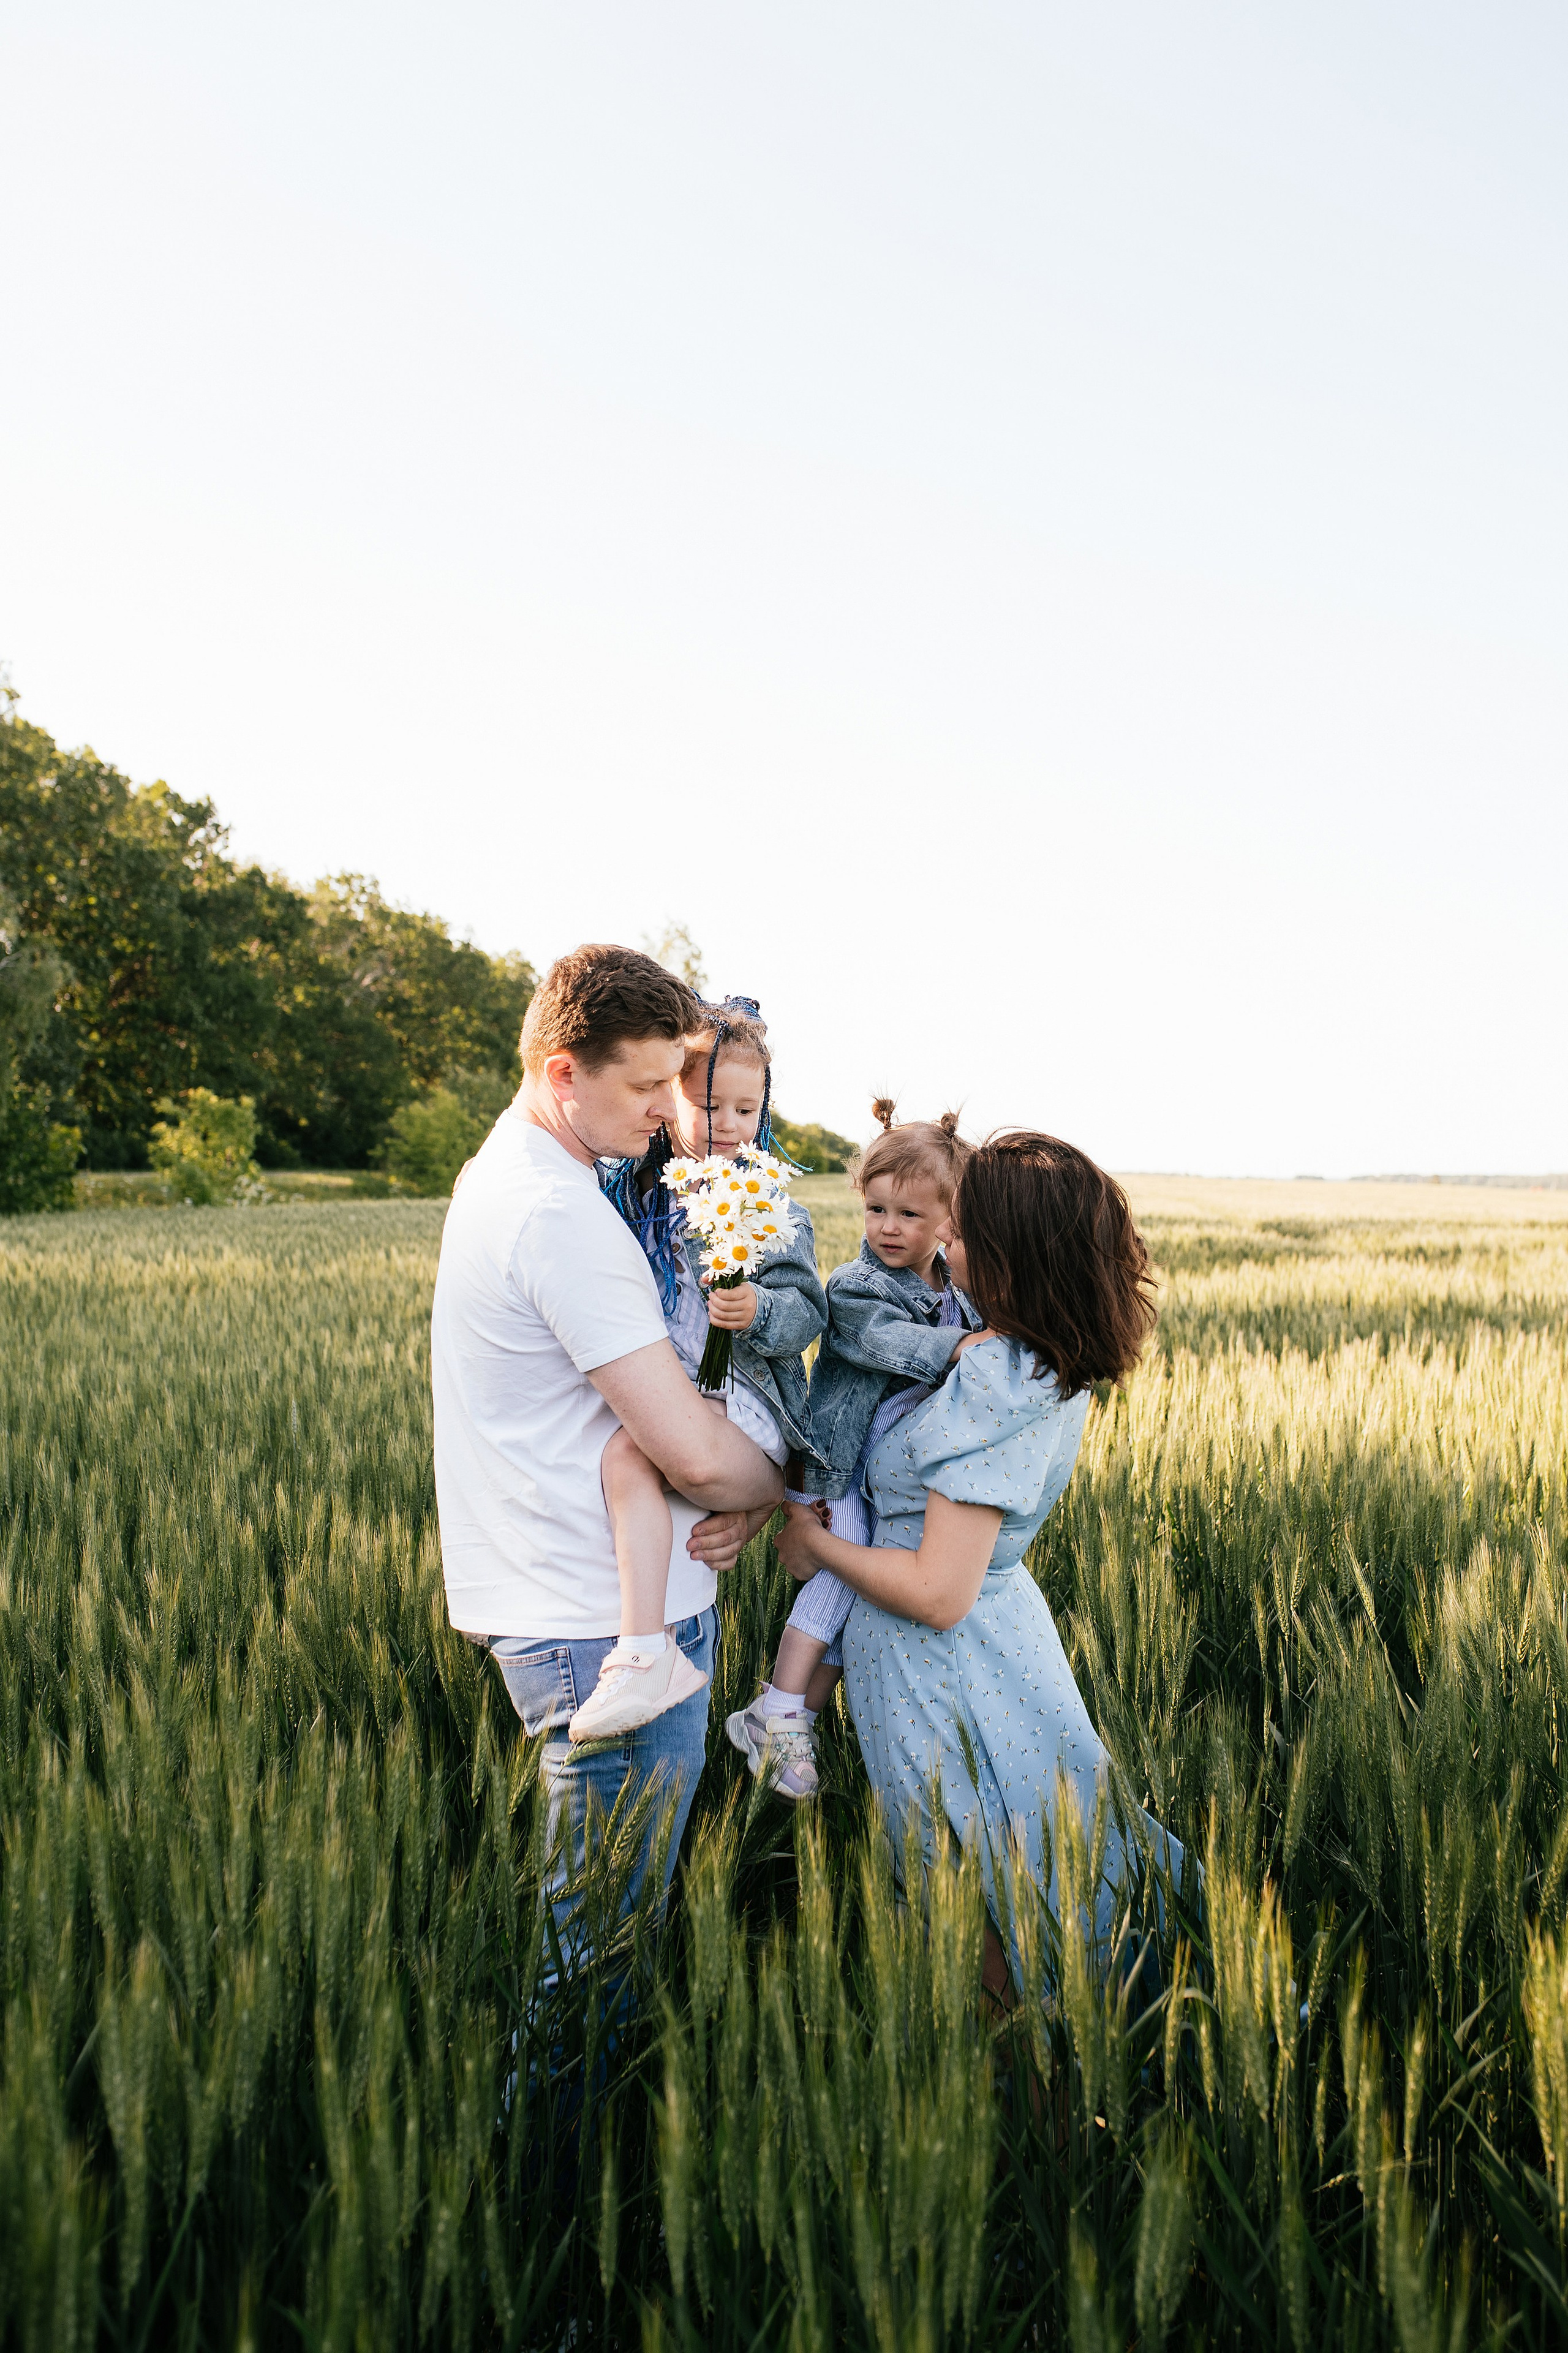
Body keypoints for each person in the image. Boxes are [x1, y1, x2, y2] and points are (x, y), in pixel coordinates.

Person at [430, 943, 784, 1960]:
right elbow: (698, 1458)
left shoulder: (511, 1171)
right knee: (597, 1974)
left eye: (677, 1080)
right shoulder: (560, 1217)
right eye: (642, 1085)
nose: (668, 1109)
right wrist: (779, 1484)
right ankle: (555, 2130)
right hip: (603, 1634)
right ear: (563, 1074)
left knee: (599, 1955)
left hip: (572, 1608)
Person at [775, 1131, 1185, 2001]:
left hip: (947, 1678)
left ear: (1005, 1253)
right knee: (1042, 1880)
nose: (942, 1244)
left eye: (958, 1231)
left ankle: (1046, 2115)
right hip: (997, 1651)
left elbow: (936, 1591)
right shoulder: (1034, 1354)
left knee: (981, 1911)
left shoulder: (993, 1377)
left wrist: (816, 1548)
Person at [569, 997, 827, 1742]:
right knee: (637, 1461)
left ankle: (642, 1647)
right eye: (709, 1103)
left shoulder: (770, 1203)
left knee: (629, 1453)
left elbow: (806, 1310)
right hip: (679, 1389)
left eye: (748, 1109)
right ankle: (650, 1639)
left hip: (747, 1394)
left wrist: (758, 1311)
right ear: (667, 1099)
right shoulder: (638, 1197)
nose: (730, 1125)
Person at [726, 1100, 984, 1803]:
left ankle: (792, 1715)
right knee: (848, 1573)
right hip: (837, 1466)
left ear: (949, 1222)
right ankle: (779, 1705)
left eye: (908, 1215)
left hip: (883, 1475)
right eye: (876, 1210)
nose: (887, 1228)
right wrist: (961, 1348)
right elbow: (888, 1345)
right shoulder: (857, 1285)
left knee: (859, 1599)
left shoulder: (955, 1288)